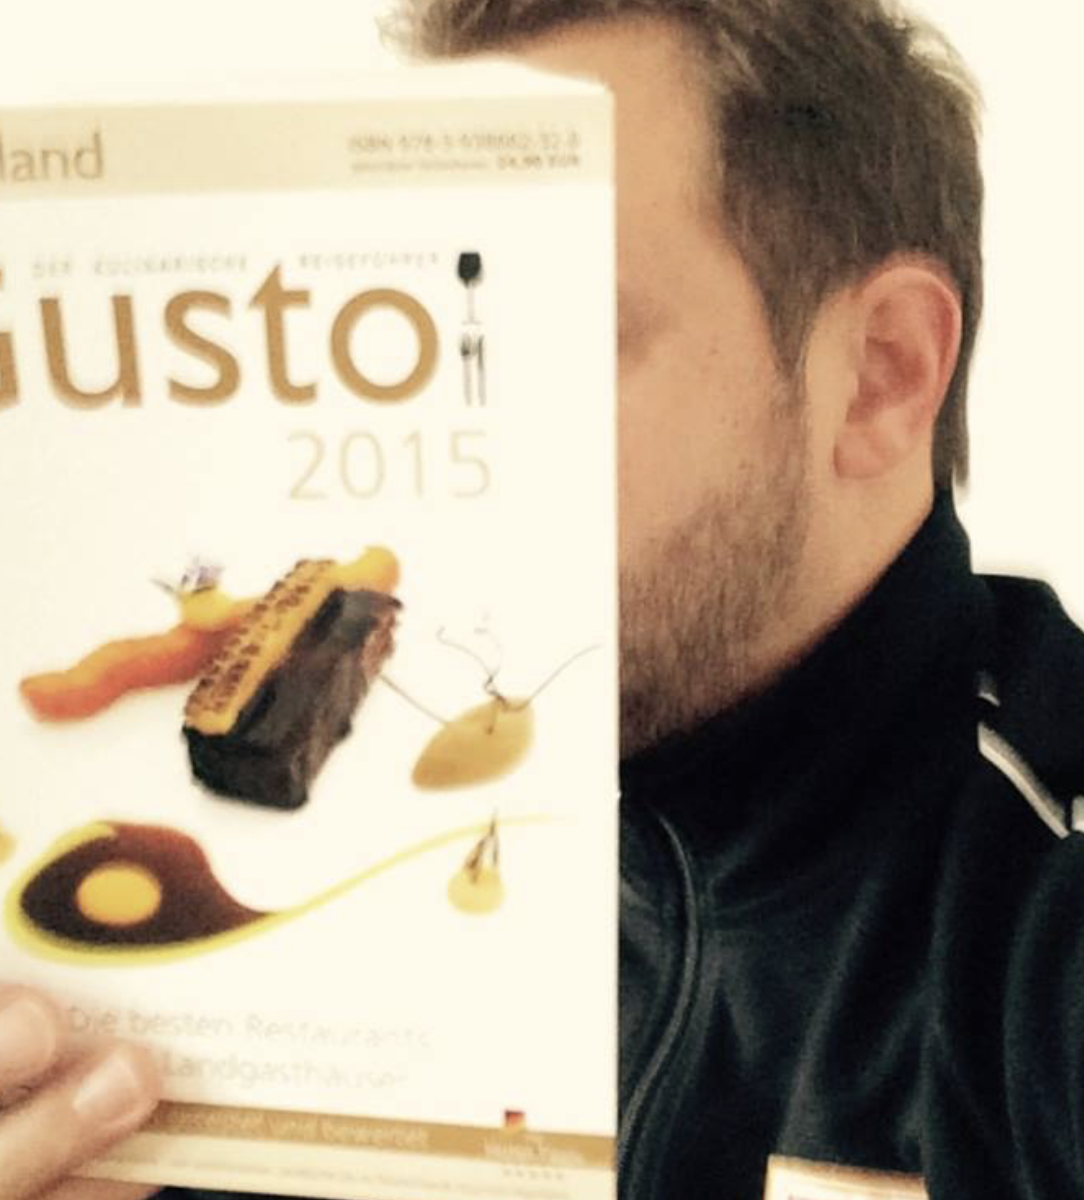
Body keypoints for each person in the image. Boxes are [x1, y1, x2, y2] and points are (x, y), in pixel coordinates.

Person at [5, 1, 1084, 1198]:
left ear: (879, 374)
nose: (437, 454)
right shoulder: (312, 866)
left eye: (543, 337)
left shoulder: (1038, 951)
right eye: (411, 351)